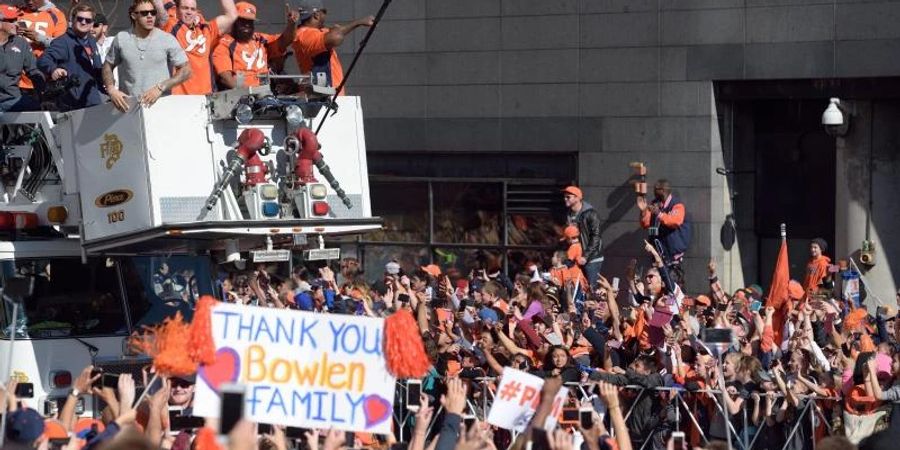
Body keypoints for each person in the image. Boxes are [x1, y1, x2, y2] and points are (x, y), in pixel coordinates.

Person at [102, 0, 191, 113]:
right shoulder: (121, 38)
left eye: (153, 12)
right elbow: (107, 65)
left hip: (161, 106)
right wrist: (111, 89)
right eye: (144, 13)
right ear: (134, 15)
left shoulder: (167, 39)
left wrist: (161, 87)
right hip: (129, 108)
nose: (150, 16)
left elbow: (186, 70)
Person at [153, 0, 237, 95]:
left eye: (193, 9)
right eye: (185, 8)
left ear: (197, 12)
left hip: (205, 97)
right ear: (176, 10)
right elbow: (158, 7)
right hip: (179, 98)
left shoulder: (207, 29)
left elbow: (232, 16)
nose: (189, 12)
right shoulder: (170, 26)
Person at [211, 2, 297, 89]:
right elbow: (225, 78)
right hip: (240, 96)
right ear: (234, 21)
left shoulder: (260, 39)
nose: (246, 25)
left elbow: (285, 41)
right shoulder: (224, 43)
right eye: (242, 21)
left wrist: (292, 24)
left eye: (250, 21)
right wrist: (249, 93)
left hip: (266, 92)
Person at [292, 0, 373, 91]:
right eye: (324, 12)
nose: (326, 15)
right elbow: (336, 37)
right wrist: (358, 22)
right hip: (325, 97)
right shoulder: (306, 34)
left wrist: (361, 22)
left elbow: (338, 32)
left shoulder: (315, 33)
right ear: (316, 15)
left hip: (329, 95)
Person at [37, 4, 105, 111]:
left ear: (92, 24)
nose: (83, 22)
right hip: (74, 103)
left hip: (94, 98)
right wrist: (53, 69)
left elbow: (96, 69)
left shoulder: (91, 40)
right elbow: (43, 60)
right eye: (80, 19)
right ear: (72, 20)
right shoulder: (63, 41)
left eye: (88, 20)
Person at [638, 179, 692, 284]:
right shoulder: (655, 204)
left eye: (656, 189)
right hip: (657, 254)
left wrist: (659, 214)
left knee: (671, 285)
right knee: (656, 286)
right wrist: (644, 211)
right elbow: (645, 224)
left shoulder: (677, 205)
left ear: (663, 191)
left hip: (671, 257)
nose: (654, 192)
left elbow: (675, 221)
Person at [15, 0, 67, 93]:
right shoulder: (17, 13)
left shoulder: (56, 14)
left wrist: (39, 38)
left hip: (45, 76)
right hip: (18, 80)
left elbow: (62, 45)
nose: (30, 2)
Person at [0, 4, 43, 112]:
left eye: (16, 19)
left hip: (13, 98)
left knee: (43, 110)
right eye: (11, 20)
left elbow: (33, 70)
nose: (16, 24)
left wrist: (42, 84)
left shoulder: (21, 43)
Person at [562, 185, 603, 288]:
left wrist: (586, 256)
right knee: (579, 287)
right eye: (565, 196)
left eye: (568, 197)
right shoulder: (569, 214)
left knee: (591, 289)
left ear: (577, 197)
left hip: (591, 258)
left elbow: (596, 236)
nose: (565, 199)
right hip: (577, 258)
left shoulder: (590, 213)